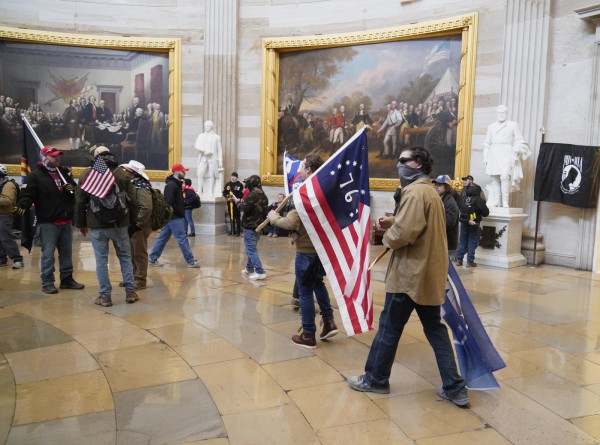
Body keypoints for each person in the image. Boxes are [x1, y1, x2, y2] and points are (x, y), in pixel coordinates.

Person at [347, 146, 469, 407]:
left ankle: (375, 379)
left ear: (418, 164)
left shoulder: (414, 192)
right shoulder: (430, 192)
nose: (398, 165)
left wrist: (386, 237)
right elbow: (418, 226)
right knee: (436, 331)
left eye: (403, 160)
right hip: (427, 276)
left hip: (409, 277)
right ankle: (455, 387)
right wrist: (393, 221)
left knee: (389, 329)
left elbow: (406, 233)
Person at [268, 154, 338, 348]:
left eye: (302, 167)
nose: (298, 170)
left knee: (305, 292)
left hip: (306, 250)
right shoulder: (324, 190)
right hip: (319, 249)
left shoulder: (308, 193)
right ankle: (329, 321)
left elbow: (290, 222)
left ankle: (308, 334)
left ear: (309, 170)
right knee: (318, 284)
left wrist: (273, 217)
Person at [15, 146, 83, 293]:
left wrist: (72, 188)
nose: (57, 159)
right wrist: (23, 204)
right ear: (44, 157)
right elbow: (27, 194)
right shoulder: (35, 176)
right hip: (47, 222)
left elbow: (74, 193)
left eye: (58, 156)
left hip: (65, 219)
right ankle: (47, 282)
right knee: (48, 253)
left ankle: (67, 279)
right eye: (53, 156)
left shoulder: (64, 173)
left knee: (66, 252)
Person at [75, 146, 138, 307]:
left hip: (96, 224)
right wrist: (133, 222)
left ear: (95, 157)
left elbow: (80, 201)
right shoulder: (122, 174)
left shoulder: (87, 174)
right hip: (120, 223)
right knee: (124, 257)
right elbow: (132, 200)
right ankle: (130, 292)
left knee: (101, 261)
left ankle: (105, 296)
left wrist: (81, 223)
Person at [148, 163, 201, 268]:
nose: (185, 173)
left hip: (173, 216)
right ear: (177, 172)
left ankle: (152, 258)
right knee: (182, 238)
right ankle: (190, 261)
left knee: (163, 237)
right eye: (183, 171)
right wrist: (179, 211)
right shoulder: (171, 185)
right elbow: (169, 202)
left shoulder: (175, 184)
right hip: (174, 216)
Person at [483, 105, 530, 208]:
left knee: (504, 176)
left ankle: (505, 201)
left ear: (506, 114)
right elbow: (487, 143)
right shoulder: (491, 126)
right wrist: (485, 157)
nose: (501, 115)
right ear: (496, 114)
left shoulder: (513, 125)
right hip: (494, 152)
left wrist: (518, 148)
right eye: (499, 113)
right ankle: (496, 201)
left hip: (506, 152)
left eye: (503, 113)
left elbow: (519, 140)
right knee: (494, 177)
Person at [119, 160, 153, 290]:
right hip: (133, 224)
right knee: (131, 252)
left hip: (140, 226)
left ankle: (140, 280)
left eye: (127, 171)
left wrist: (138, 224)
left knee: (139, 253)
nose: (125, 173)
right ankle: (132, 277)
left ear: (132, 173)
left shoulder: (142, 187)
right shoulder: (133, 185)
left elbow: (146, 208)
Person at [237, 175, 268, 280]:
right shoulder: (263, 195)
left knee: (251, 250)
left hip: (250, 225)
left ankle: (260, 271)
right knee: (251, 248)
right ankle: (249, 268)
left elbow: (244, 208)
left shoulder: (251, 195)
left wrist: (238, 203)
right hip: (259, 226)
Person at [454, 183, 489, 268]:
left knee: (462, 241)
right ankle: (470, 261)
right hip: (474, 223)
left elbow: (459, 208)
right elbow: (486, 213)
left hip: (464, 222)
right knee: (472, 242)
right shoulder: (478, 199)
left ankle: (459, 260)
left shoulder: (463, 198)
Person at [0, 164, 24, 269]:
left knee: (6, 237)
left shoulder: (8, 185)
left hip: (5, 215)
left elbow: (7, 201)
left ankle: (17, 259)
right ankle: (1, 258)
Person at [433, 174, 459, 259]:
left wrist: (432, 223)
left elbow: (449, 222)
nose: (436, 187)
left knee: (444, 270)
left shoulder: (450, 202)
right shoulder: (439, 199)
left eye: (440, 185)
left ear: (446, 187)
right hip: (439, 242)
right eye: (436, 185)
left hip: (447, 244)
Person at [195, 120, 223, 196]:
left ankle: (210, 191)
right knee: (200, 173)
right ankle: (200, 190)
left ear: (211, 127)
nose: (207, 128)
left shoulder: (216, 137)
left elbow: (219, 150)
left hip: (212, 158)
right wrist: (204, 150)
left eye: (208, 126)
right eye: (206, 126)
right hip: (203, 157)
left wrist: (220, 162)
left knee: (212, 174)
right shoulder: (201, 136)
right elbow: (196, 145)